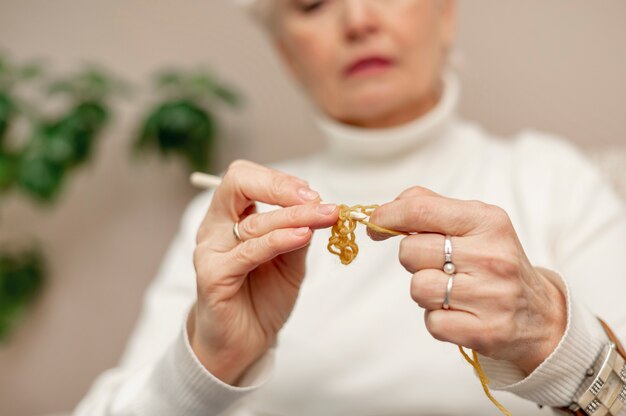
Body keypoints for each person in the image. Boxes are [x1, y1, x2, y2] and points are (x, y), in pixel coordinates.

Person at [76, 1, 626, 415]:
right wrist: (204, 363)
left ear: (446, 14)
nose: (358, 19)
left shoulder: (554, 179)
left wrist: (558, 341)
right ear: (286, 53)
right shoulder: (231, 221)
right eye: (314, 1)